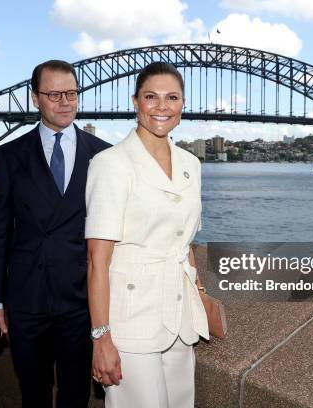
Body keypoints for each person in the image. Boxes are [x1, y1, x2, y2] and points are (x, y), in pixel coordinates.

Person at [0, 59, 110, 407]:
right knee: (33, 395)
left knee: (74, 397)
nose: (65, 101)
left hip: (80, 302)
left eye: (71, 93)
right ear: (34, 98)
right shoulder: (10, 155)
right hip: (27, 300)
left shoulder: (103, 156)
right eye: (54, 94)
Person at [85, 61, 209, 407]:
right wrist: (101, 338)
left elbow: (185, 242)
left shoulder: (191, 164)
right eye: (151, 97)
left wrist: (200, 291)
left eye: (172, 97)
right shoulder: (111, 164)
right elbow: (97, 261)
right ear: (135, 102)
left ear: (182, 105)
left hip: (180, 314)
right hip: (131, 319)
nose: (161, 106)